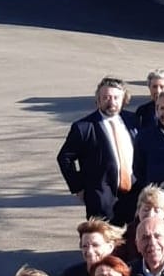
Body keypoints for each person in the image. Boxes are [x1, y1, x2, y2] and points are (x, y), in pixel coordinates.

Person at [56, 76, 139, 222]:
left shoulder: (134, 121)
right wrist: (78, 187)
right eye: (106, 97)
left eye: (116, 97)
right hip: (101, 198)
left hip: (133, 195)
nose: (111, 102)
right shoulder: (84, 127)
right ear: (98, 100)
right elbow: (64, 157)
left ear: (124, 99)